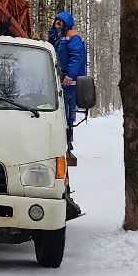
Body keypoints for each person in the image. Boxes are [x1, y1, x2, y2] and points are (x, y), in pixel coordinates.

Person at [48, 11, 87, 164]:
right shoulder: (56, 37)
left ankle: (67, 140)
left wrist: (70, 75)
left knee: (67, 112)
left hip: (68, 82)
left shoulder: (72, 37)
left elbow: (77, 57)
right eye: (57, 21)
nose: (58, 24)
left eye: (61, 22)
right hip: (58, 79)